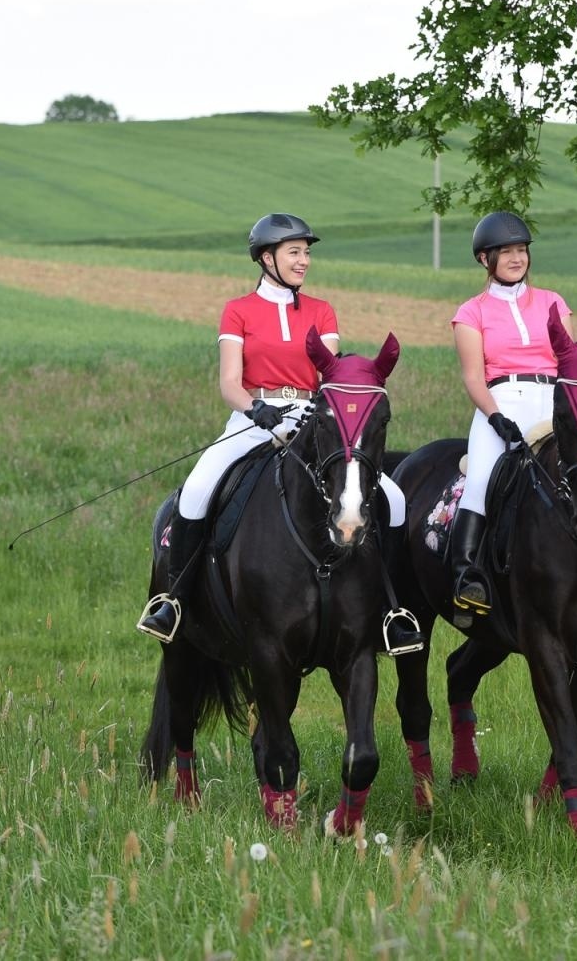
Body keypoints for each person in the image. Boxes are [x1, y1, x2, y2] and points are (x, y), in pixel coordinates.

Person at [137, 213, 423, 655]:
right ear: (266, 257)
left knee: (397, 499)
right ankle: (173, 600)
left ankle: (393, 611)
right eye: (295, 252)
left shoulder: (322, 310)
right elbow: (230, 381)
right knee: (195, 491)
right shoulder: (238, 311)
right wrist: (256, 409)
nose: (304, 260)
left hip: (315, 420)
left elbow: (329, 374)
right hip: (254, 418)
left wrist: (316, 411)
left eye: (306, 252)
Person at [447, 211, 577, 614]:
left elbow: (572, 364)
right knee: (481, 479)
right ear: (484, 259)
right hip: (502, 401)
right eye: (505, 252)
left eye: (521, 250)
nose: (516, 258)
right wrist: (494, 416)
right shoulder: (471, 312)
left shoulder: (553, 302)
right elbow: (473, 377)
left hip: (557, 402)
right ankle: (467, 574)